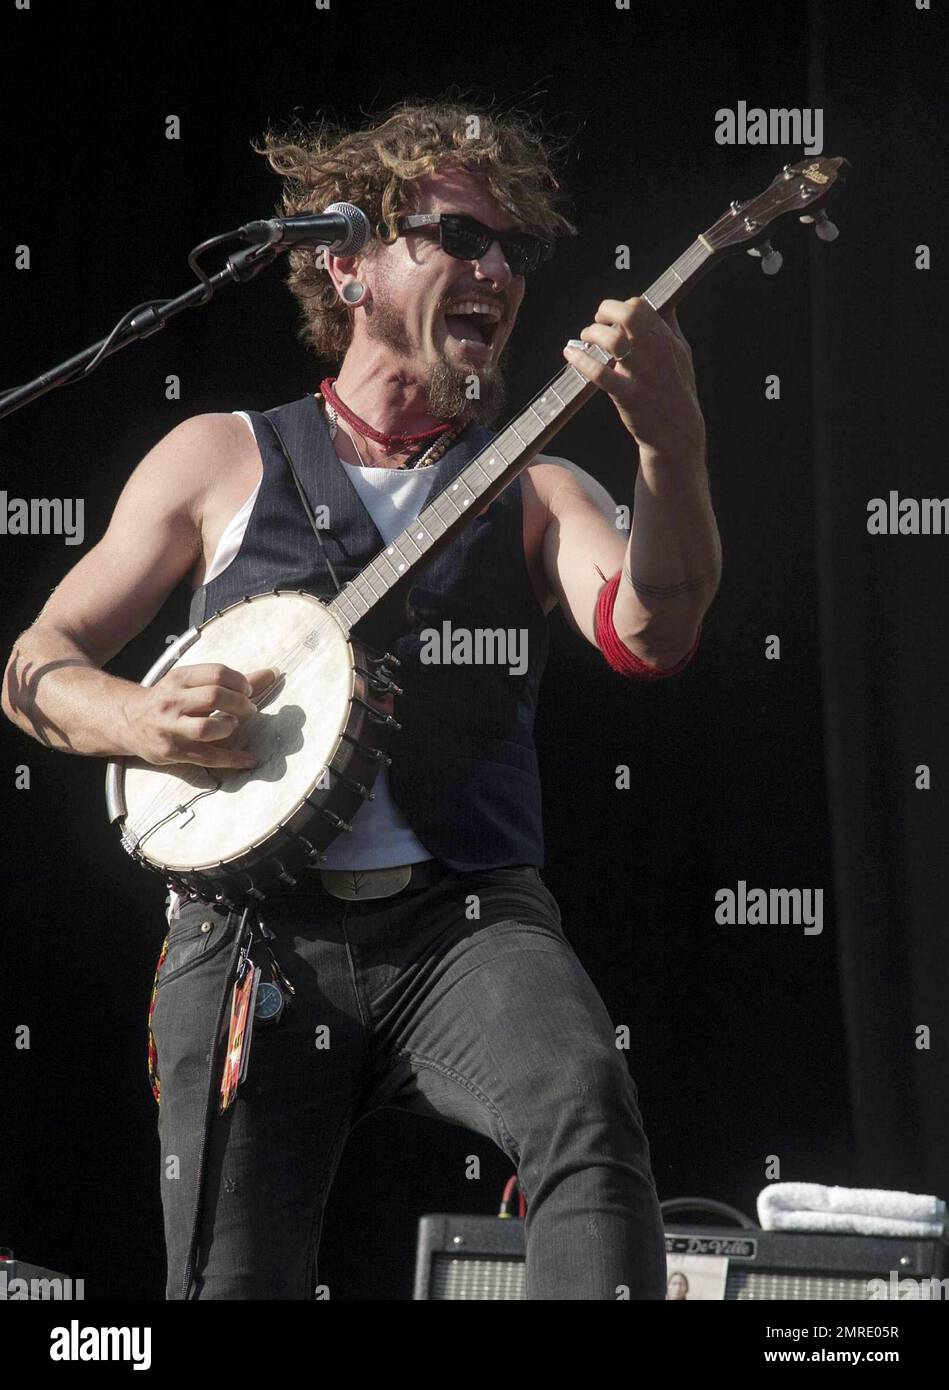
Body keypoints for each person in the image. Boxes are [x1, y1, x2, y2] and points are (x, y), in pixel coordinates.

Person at [1, 99, 721, 1300]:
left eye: (512, 252)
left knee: (584, 1107)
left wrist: (676, 448)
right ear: (347, 263)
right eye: (457, 238)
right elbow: (35, 661)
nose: (494, 270)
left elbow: (654, 630)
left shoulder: (535, 485)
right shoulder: (221, 456)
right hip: (251, 939)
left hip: (466, 923)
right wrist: (138, 719)